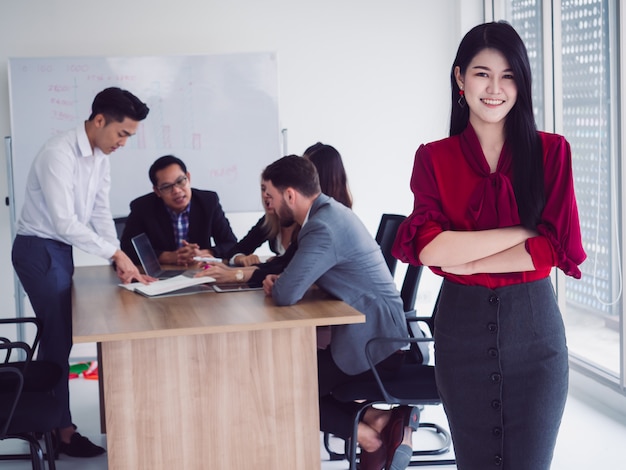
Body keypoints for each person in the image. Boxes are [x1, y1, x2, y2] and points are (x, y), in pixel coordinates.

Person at [392, 21, 586, 470]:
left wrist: (462, 252)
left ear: (521, 82)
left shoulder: (553, 153)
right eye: (482, 74)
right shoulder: (434, 158)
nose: (495, 88)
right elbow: (428, 249)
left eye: (508, 75)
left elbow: (554, 250)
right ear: (460, 78)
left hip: (535, 336)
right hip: (461, 336)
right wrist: (523, 232)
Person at [11, 87, 152, 457]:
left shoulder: (100, 157)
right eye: (122, 134)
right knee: (59, 339)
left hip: (58, 249)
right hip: (38, 248)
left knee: (62, 338)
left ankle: (56, 423)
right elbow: (64, 222)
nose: (123, 143)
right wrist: (115, 253)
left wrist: (118, 256)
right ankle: (61, 431)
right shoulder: (59, 153)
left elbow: (100, 213)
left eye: (130, 137)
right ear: (99, 120)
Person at [260, 155, 419, 470]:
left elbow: (286, 295)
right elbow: (300, 280)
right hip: (378, 336)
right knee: (292, 375)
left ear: (290, 194)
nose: (270, 206)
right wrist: (287, 281)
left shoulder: (322, 227)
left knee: (283, 388)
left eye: (271, 196)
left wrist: (281, 284)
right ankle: (384, 420)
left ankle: (368, 438)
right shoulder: (330, 213)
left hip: (376, 345)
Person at [201, 143, 353, 287]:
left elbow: (287, 276)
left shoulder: (320, 225)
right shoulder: (281, 217)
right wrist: (234, 268)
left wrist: (235, 274)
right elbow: (283, 264)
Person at [120, 154, 237, 266]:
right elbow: (127, 249)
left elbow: (230, 243)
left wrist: (204, 253)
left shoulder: (208, 202)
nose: (176, 191)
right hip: (161, 275)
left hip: (199, 272)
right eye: (166, 187)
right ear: (157, 191)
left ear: (189, 178)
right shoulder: (142, 207)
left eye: (180, 181)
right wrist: (169, 257)